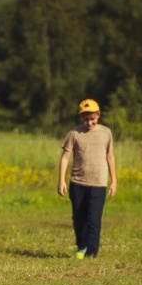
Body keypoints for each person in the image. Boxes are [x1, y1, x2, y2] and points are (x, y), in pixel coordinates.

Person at [57, 98, 117, 258]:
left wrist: (114, 181)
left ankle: (92, 252)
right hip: (77, 182)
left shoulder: (106, 133)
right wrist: (61, 180)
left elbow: (110, 157)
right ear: (80, 117)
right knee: (79, 218)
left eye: (92, 119)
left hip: (99, 184)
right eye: (85, 119)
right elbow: (65, 157)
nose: (89, 123)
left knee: (94, 219)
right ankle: (82, 246)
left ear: (98, 115)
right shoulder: (74, 134)